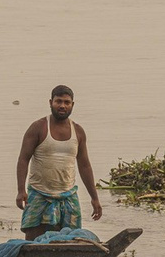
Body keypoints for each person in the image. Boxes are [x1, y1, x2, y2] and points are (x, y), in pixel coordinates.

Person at [14, 85, 102, 238]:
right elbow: (23, 159)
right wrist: (21, 190)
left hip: (68, 196)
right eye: (58, 101)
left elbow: (85, 165)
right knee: (34, 238)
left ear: (72, 105)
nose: (62, 106)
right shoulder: (38, 128)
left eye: (67, 102)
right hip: (39, 194)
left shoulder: (78, 132)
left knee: (72, 239)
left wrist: (94, 197)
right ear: (50, 103)